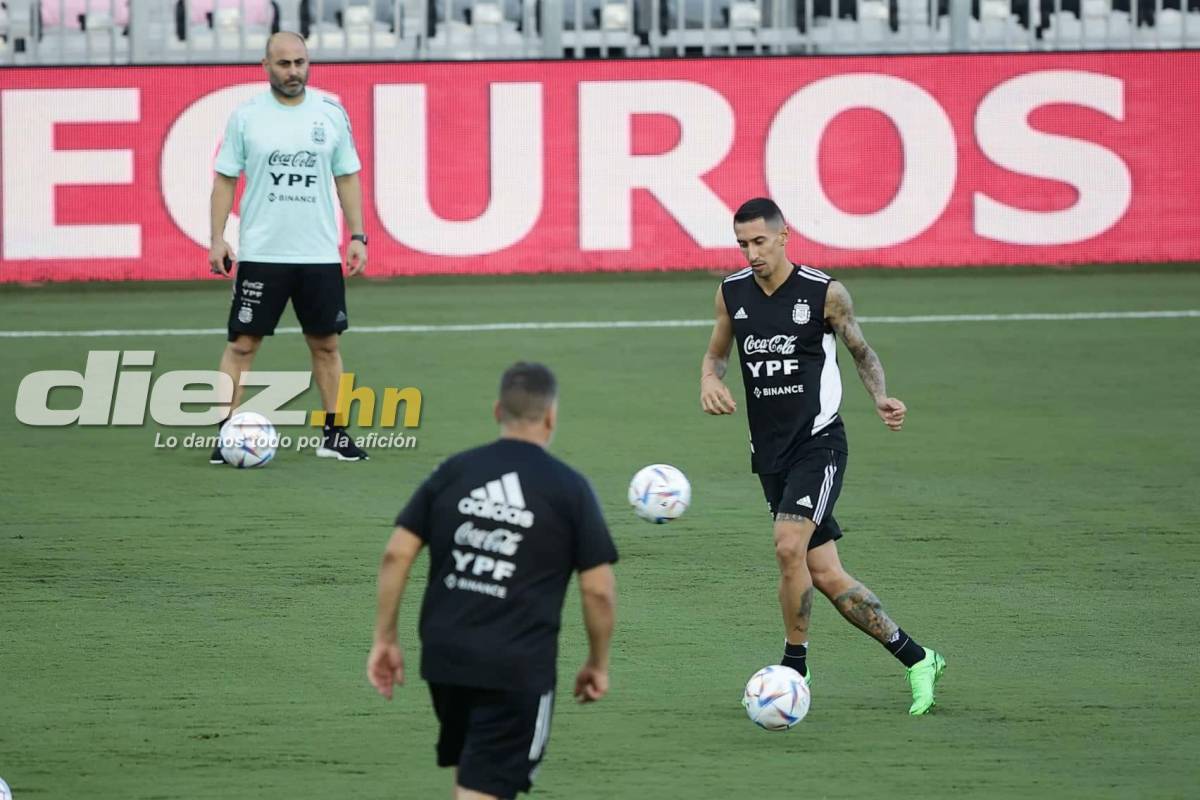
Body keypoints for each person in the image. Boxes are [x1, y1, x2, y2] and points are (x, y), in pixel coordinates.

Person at [699, 197, 946, 716]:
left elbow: (861, 350)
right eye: (742, 243)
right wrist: (708, 380)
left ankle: (794, 666)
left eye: (760, 241)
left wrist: (880, 396)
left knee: (788, 547)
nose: (751, 253)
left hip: (819, 443)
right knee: (828, 576)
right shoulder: (731, 293)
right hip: (768, 454)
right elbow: (717, 353)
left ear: (783, 235)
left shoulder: (823, 293)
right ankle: (918, 658)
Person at [367, 362, 618, 799]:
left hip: (445, 659)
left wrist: (384, 637)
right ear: (551, 416)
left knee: (474, 776)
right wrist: (597, 663)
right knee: (484, 787)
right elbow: (597, 590)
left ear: (497, 410)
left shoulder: (453, 471)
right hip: (515, 668)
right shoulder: (569, 489)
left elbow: (396, 553)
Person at [208, 30, 369, 464]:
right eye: (284, 64)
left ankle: (335, 435)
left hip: (317, 253)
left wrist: (357, 235)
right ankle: (225, 436)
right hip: (262, 252)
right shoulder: (247, 116)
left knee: (327, 345)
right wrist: (217, 237)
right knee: (242, 345)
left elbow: (347, 176)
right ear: (266, 66)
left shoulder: (331, 111)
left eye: (300, 62)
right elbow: (225, 179)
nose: (294, 71)